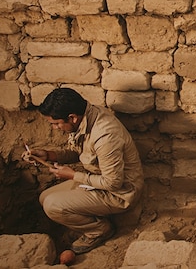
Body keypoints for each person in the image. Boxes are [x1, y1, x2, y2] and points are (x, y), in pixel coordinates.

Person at [25, 88, 145, 254]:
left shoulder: (105, 136)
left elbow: (113, 182)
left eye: (56, 123)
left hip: (120, 193)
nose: (55, 128)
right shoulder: (84, 118)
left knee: (52, 206)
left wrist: (73, 175)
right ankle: (91, 217)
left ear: (72, 118)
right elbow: (77, 152)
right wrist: (48, 155)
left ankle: (99, 229)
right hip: (98, 181)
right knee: (44, 197)